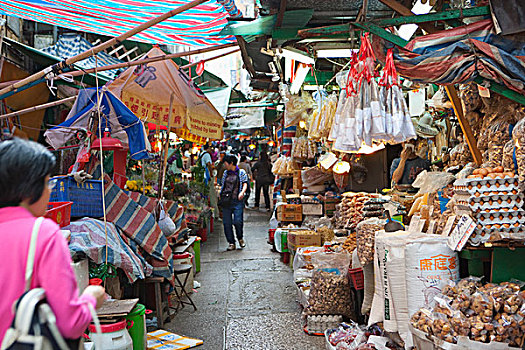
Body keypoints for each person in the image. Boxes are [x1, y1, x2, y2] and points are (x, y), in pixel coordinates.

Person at [0, 138, 105, 342]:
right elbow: (71, 324)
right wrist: (92, 297)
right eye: (47, 182)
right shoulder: (43, 233)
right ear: (28, 187)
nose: (50, 191)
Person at [220, 155, 248, 251]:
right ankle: (231, 242)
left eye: (226, 163)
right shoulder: (225, 173)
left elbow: (245, 183)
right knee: (226, 223)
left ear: (231, 163)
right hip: (226, 201)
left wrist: (242, 192)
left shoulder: (241, 172)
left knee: (238, 221)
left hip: (237, 201)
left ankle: (240, 238)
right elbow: (223, 185)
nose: (225, 165)